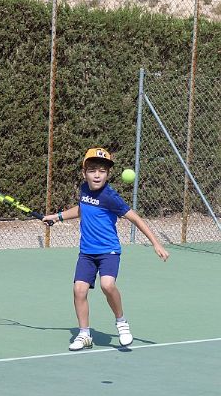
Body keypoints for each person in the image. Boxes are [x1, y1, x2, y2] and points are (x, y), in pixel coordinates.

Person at [43, 147, 169, 351]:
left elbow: (135, 218)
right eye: (92, 170)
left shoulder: (111, 197)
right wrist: (57, 217)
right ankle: (84, 335)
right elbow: (82, 208)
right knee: (79, 290)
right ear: (85, 173)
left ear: (108, 174)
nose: (97, 175)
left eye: (102, 171)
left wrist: (156, 243)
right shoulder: (84, 189)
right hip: (86, 252)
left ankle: (121, 323)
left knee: (107, 285)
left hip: (108, 251)